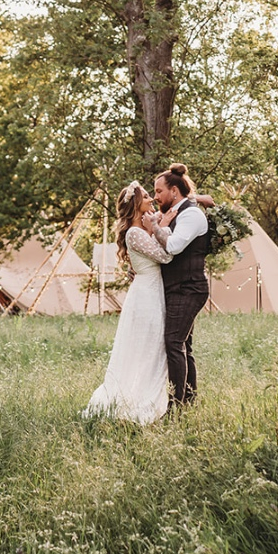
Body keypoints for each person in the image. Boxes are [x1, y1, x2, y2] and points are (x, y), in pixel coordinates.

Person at [84, 180, 175, 424]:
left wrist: (155, 226)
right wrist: (159, 226)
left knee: (153, 347)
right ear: (136, 204)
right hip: (146, 295)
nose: (151, 199)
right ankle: (138, 400)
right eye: (146, 196)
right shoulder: (135, 233)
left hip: (152, 291)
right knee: (147, 347)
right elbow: (166, 256)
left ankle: (151, 397)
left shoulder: (141, 231)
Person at [142, 163, 213, 410]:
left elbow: (173, 247)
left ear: (174, 191)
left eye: (159, 191)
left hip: (189, 287)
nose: (155, 196)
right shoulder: (178, 212)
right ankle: (189, 401)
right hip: (177, 287)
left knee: (173, 343)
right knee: (183, 345)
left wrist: (155, 227)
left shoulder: (191, 215)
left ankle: (175, 406)